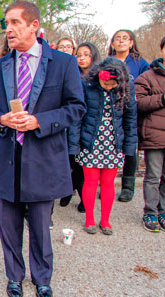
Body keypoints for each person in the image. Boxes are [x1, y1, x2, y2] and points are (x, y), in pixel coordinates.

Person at [0, 1, 86, 296]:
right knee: (9, 227)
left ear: (33, 26)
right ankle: (14, 276)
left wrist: (39, 120)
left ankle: (42, 279)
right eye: (7, 23)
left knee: (40, 227)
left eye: (14, 22)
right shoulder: (0, 66)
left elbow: (77, 108)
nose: (8, 29)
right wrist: (1, 119)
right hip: (7, 159)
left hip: (42, 160)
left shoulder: (63, 64)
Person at [70, 57, 137, 235]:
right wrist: (74, 144)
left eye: (111, 84)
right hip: (90, 139)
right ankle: (90, 219)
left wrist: (129, 148)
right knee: (90, 181)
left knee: (108, 183)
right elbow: (77, 117)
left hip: (114, 141)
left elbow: (131, 119)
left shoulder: (127, 87)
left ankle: (105, 220)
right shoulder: (87, 85)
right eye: (104, 83)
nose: (107, 86)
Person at [108, 29, 149, 202]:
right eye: (118, 38)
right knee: (109, 145)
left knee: (130, 147)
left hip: (132, 110)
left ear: (131, 43)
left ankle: (127, 186)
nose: (121, 41)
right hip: (111, 111)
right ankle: (107, 184)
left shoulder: (141, 64)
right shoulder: (108, 62)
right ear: (112, 43)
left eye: (125, 38)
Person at [62, 42, 102, 213]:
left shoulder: (99, 78)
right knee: (70, 160)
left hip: (88, 126)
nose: (82, 58)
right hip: (70, 124)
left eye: (86, 54)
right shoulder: (71, 74)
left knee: (82, 165)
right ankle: (67, 191)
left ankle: (83, 197)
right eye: (79, 55)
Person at [134, 36, 165, 232]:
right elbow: (139, 102)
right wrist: (162, 98)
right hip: (155, 135)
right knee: (153, 175)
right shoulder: (148, 76)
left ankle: (163, 211)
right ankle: (150, 212)